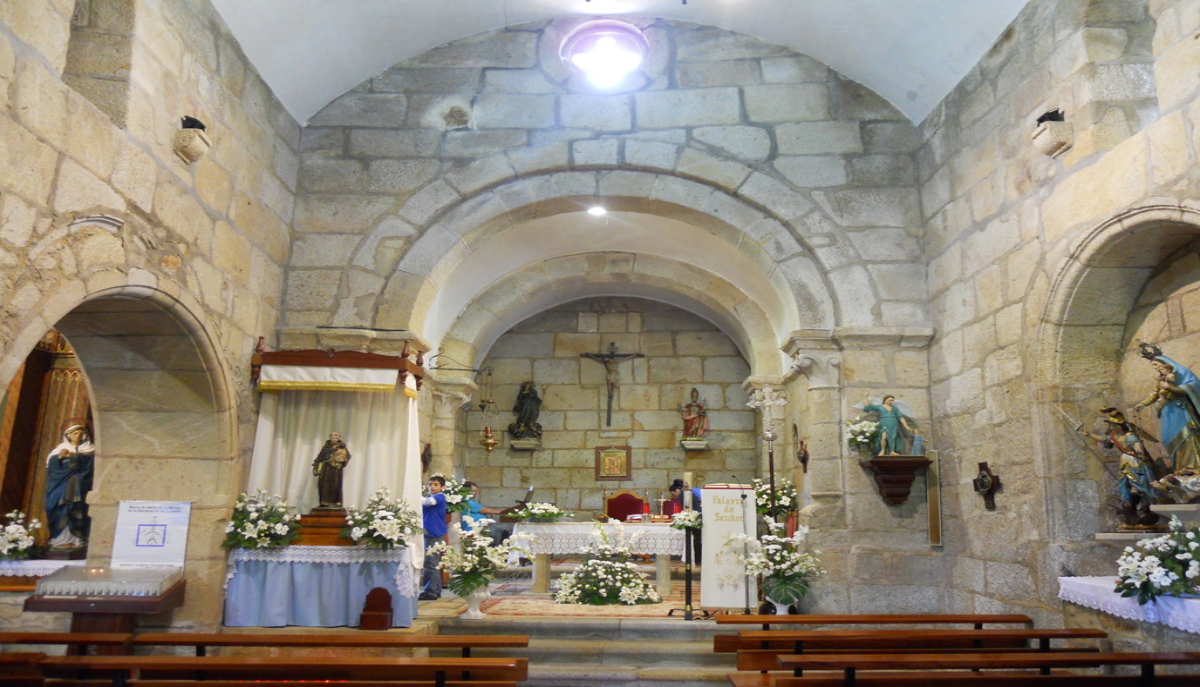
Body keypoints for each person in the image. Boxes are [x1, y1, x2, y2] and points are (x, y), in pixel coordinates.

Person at [1077, 407, 1163, 527]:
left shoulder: (1130, 436)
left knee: (1137, 484)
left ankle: (1143, 507)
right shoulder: (1114, 436)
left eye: (1114, 425)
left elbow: (1138, 446)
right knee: (1127, 484)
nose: (1112, 428)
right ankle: (1132, 508)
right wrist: (1089, 435)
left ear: (1121, 426)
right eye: (1111, 426)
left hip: (1135, 463)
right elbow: (1104, 439)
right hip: (1125, 463)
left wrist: (1139, 452)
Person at [1132, 342, 1200, 476]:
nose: (1156, 368)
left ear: (1166, 364)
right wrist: (1143, 404)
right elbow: (1155, 394)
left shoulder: (1179, 375)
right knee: (1168, 438)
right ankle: (1180, 466)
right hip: (1167, 412)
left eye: (1157, 365)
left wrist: (1170, 387)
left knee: (1186, 435)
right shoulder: (1160, 380)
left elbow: (1192, 386)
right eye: (1154, 366)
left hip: (1181, 410)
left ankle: (1194, 466)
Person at [44, 424, 95, 549]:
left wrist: (73, 457)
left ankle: (77, 540)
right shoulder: (59, 450)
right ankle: (58, 539)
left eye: (80, 434)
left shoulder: (89, 450)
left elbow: (90, 468)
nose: (78, 436)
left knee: (77, 510)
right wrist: (60, 457)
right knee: (56, 507)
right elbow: (52, 469)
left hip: (80, 486)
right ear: (68, 435)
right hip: (61, 486)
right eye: (75, 433)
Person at [420, 475, 448, 600]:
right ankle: (435, 590)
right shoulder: (428, 497)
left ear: (442, 487)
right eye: (430, 484)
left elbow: (428, 502)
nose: (432, 487)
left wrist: (412, 495)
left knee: (430, 563)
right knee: (432, 563)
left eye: (436, 485)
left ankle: (430, 591)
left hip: (434, 532)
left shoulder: (439, 497)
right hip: (428, 531)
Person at [311, 432, 350, 507]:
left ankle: (337, 502)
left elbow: (347, 456)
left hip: (336, 470)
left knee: (336, 485)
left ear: (339, 437)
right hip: (325, 469)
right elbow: (320, 457)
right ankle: (324, 501)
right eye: (333, 436)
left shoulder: (342, 447)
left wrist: (342, 460)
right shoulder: (325, 447)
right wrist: (316, 463)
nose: (335, 437)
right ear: (330, 437)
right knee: (324, 485)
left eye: (336, 436)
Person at [669, 478, 702, 561]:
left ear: (677, 490)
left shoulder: (682, 495)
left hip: (695, 518)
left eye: (673, 494)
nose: (674, 497)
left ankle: (696, 558)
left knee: (695, 537)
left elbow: (686, 509)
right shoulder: (690, 492)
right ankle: (698, 558)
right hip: (699, 516)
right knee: (698, 537)